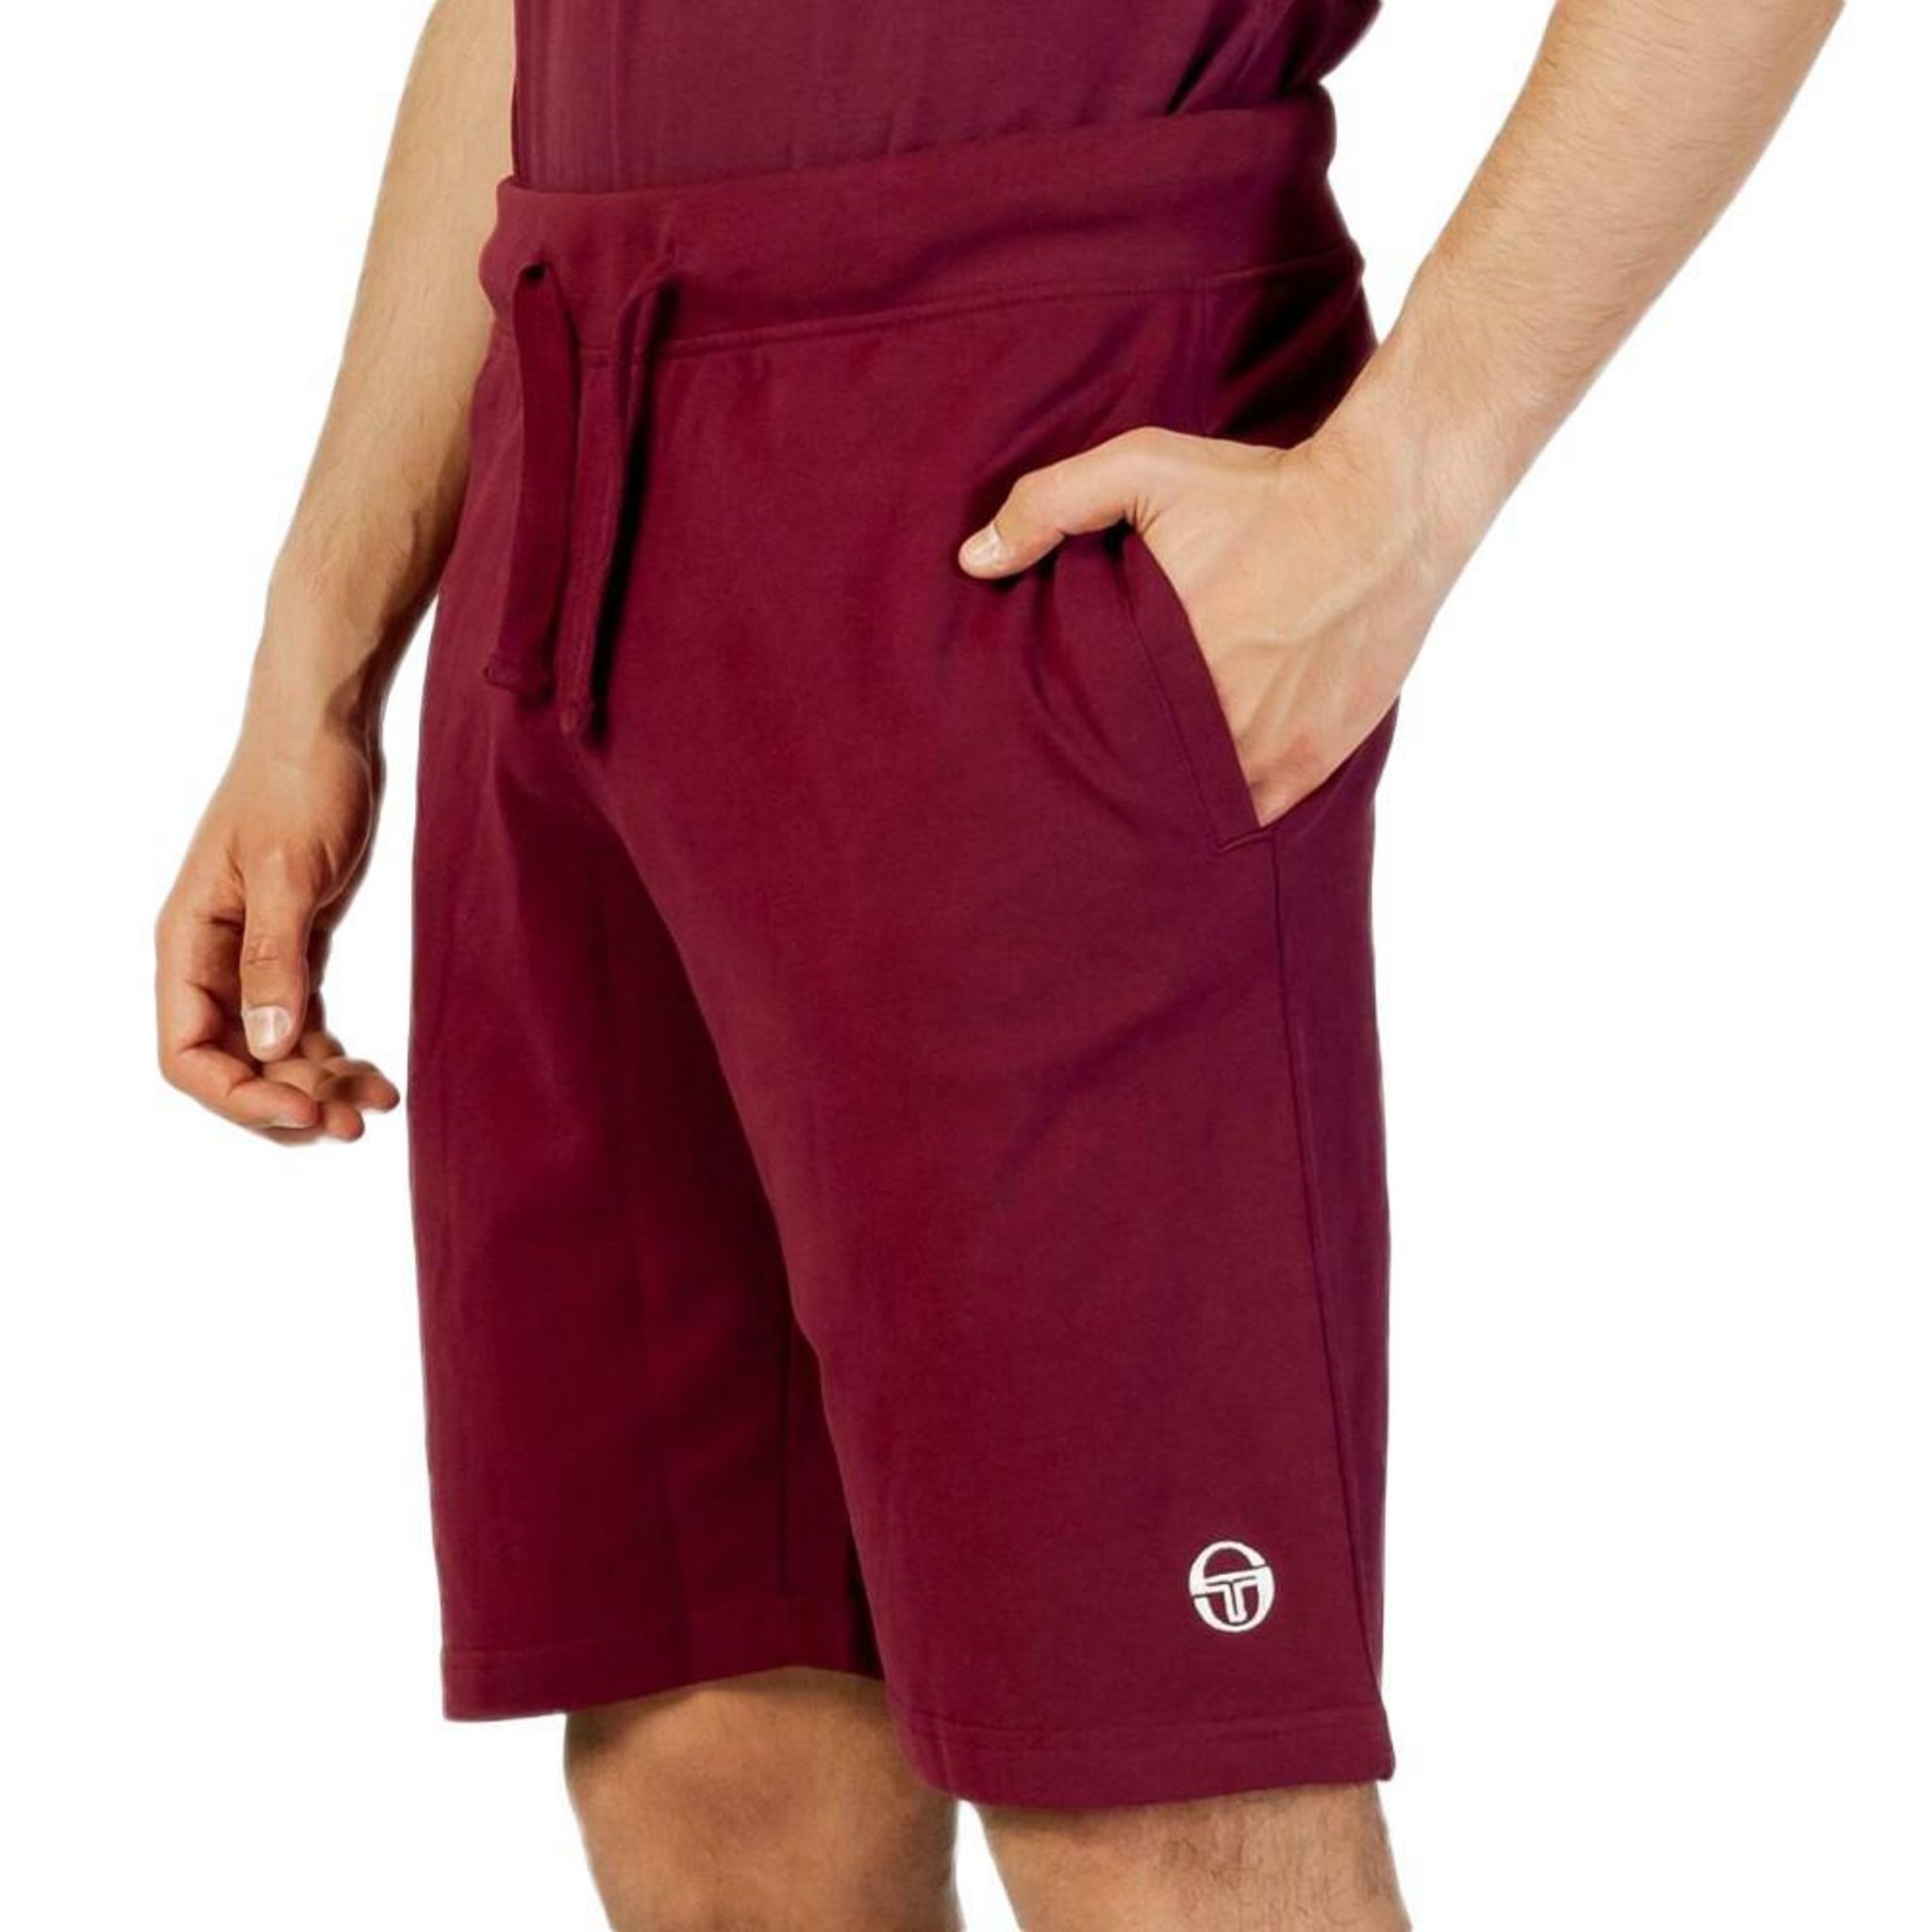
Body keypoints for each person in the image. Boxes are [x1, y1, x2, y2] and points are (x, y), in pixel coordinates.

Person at [155, 0, 1841, 1924]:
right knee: (708, 1758)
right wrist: (316, 656)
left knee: (1156, 1808)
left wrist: (1399, 491)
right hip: (564, 469)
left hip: (1023, 447)